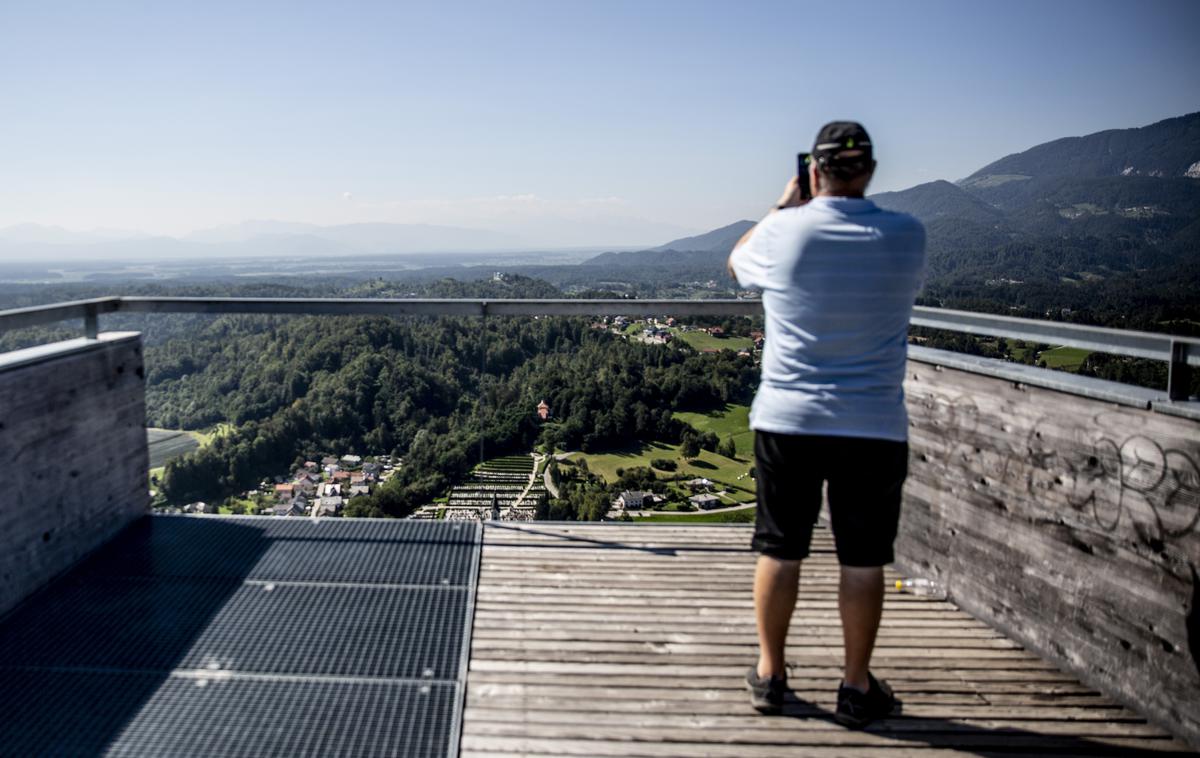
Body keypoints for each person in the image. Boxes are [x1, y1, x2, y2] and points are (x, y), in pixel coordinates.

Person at [727, 122, 926, 728]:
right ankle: (856, 685)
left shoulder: (783, 232)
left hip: (789, 418)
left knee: (780, 548)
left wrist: (785, 204)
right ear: (867, 169)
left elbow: (736, 264)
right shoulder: (908, 235)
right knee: (863, 560)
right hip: (872, 421)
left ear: (814, 171)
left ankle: (770, 674)